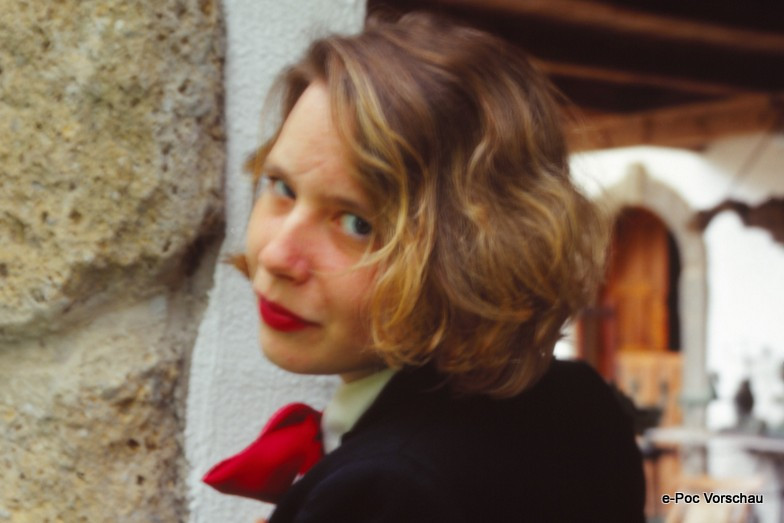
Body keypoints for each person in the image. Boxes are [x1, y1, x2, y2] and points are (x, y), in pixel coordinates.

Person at [206, 11, 646, 522]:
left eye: (357, 223)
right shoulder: (579, 400)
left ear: (474, 254)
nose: (277, 256)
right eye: (282, 187)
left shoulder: (384, 489)